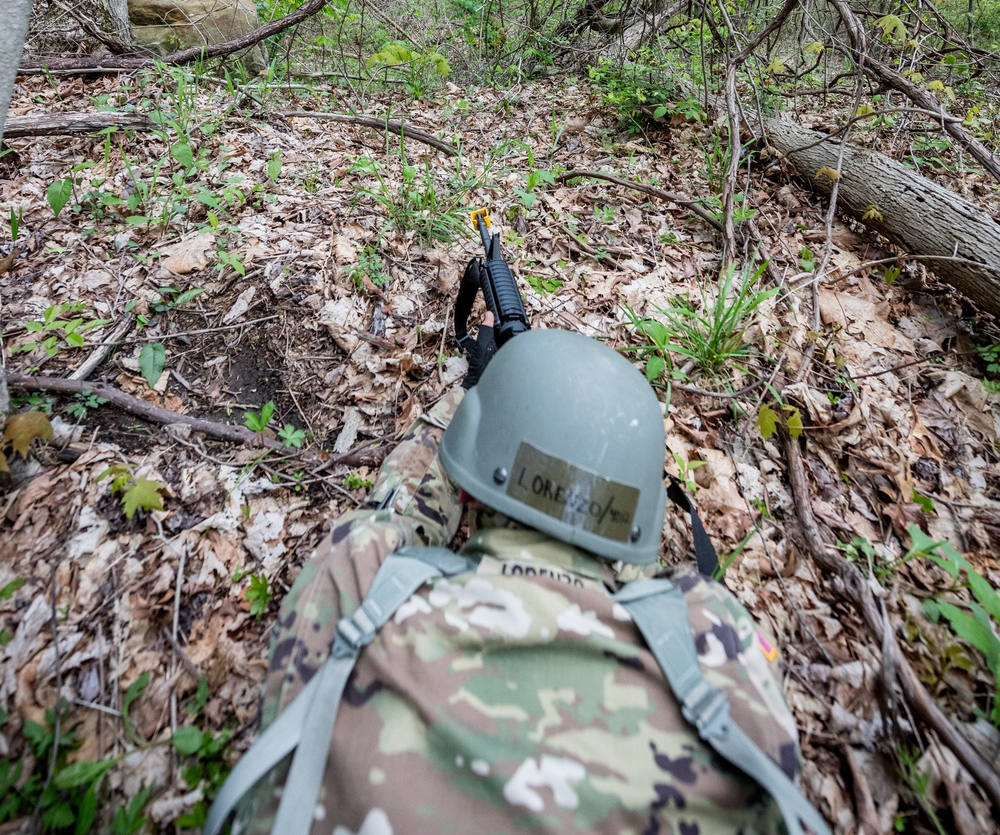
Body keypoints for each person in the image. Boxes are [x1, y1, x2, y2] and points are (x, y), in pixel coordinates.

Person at [206, 317, 827, 835]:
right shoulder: (715, 645)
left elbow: (392, 515)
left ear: (470, 483)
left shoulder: (365, 584)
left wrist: (470, 401)